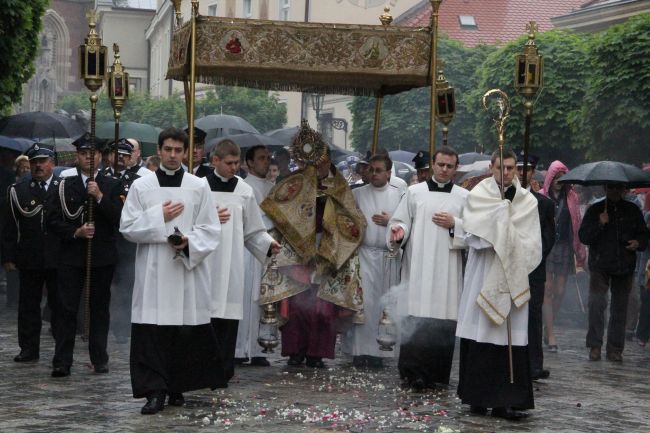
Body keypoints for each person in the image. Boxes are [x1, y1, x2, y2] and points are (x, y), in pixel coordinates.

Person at [120, 127, 223, 414]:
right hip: (154, 270)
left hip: (185, 271)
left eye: (179, 150)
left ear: (186, 152)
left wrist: (190, 242)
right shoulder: (142, 186)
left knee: (183, 330)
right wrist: (159, 217)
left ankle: (178, 386)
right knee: (152, 332)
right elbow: (127, 227)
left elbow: (211, 229)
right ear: (159, 150)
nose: (173, 155)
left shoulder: (198, 186)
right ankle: (155, 391)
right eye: (168, 149)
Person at [260, 122, 366, 368]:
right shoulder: (295, 182)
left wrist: (330, 212)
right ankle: (295, 351)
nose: (318, 167)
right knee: (297, 304)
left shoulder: (340, 186)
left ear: (328, 160)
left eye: (322, 162)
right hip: (299, 250)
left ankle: (317, 354)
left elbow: (354, 217)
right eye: (314, 163)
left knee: (323, 308)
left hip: (330, 249)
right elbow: (279, 209)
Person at [456, 149, 542, 420]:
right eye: (501, 167)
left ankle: (507, 400)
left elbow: (531, 242)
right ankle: (477, 398)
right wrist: (496, 226)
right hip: (484, 269)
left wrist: (508, 233)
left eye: (511, 168)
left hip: (512, 274)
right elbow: (471, 234)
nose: (506, 173)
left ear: (517, 169)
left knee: (509, 337)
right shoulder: (479, 195)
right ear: (491, 168)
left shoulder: (527, 201)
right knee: (481, 333)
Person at [389, 146, 468, 389]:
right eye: (441, 164)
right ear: (432, 165)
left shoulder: (464, 197)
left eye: (449, 166)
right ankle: (412, 374)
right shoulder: (414, 193)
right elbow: (399, 221)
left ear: (455, 169)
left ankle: (437, 374)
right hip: (418, 264)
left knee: (443, 318)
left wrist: (455, 223)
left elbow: (474, 230)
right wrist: (399, 232)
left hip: (448, 268)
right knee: (416, 313)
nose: (444, 170)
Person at [48, 133, 125, 378]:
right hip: (72, 256)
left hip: (101, 256)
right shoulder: (63, 185)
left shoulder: (112, 184)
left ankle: (99, 357)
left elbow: (120, 219)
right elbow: (51, 220)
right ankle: (62, 360)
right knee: (66, 308)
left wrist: (100, 197)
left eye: (93, 154)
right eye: (83, 154)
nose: (88, 159)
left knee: (99, 308)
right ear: (77, 156)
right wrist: (75, 232)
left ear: (101, 157)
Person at [206, 140, 279, 381]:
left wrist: (268, 245)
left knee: (228, 318)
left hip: (233, 262)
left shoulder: (243, 190)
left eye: (237, 163)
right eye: (229, 163)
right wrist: (208, 216)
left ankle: (224, 372)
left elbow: (253, 230)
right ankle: (201, 371)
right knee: (205, 318)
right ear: (215, 161)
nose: (234, 168)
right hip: (205, 263)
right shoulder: (201, 188)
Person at [2, 143, 60, 363]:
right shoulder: (19, 190)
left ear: (51, 163)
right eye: (34, 162)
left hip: (58, 257)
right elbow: (9, 226)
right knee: (28, 306)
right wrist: (8, 257)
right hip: (30, 256)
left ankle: (62, 351)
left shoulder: (62, 187)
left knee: (60, 306)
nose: (38, 166)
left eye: (43, 161)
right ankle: (28, 348)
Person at [344, 154, 403, 368]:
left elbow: (406, 223)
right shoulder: (358, 194)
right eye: (372, 170)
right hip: (364, 255)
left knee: (385, 303)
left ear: (388, 172)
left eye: (379, 170)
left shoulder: (400, 195)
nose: (374, 174)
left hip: (389, 257)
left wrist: (391, 221)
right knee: (364, 304)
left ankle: (383, 349)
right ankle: (360, 351)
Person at [579, 183, 648, 362]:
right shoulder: (595, 209)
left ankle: (615, 348)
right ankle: (595, 345)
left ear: (624, 189)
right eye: (611, 188)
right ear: (605, 189)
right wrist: (600, 224)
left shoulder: (633, 210)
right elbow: (584, 236)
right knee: (596, 304)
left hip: (624, 265)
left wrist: (638, 243)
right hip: (600, 264)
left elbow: (644, 235)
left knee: (620, 308)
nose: (615, 191)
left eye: (618, 188)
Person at [235, 145, 277, 366]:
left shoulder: (274, 187)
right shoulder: (242, 187)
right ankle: (240, 349)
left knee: (263, 300)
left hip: (270, 247)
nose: (267, 161)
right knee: (244, 297)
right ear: (249, 163)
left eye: (268, 157)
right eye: (261, 158)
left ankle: (258, 348)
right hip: (248, 247)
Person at [516, 153, 555, 380]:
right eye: (518, 168)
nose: (522, 173)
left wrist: (530, 257)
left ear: (533, 172)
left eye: (526, 169)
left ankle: (533, 364)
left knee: (532, 316)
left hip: (534, 269)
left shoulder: (545, 204)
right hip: (509, 267)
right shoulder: (505, 200)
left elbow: (548, 238)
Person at [539, 161, 586, 352]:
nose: (559, 181)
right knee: (547, 291)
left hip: (565, 247)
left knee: (559, 291)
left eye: (562, 178)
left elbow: (576, 224)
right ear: (550, 178)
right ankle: (551, 334)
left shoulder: (572, 198)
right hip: (547, 247)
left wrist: (580, 252)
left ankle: (547, 326)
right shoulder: (542, 196)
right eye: (556, 178)